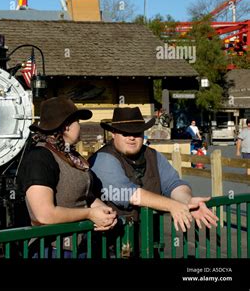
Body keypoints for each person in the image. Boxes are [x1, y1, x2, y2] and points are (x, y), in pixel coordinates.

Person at [89, 107, 218, 236]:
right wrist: (172, 205)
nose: (132, 138)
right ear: (113, 133)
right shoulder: (103, 159)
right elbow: (129, 194)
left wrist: (186, 201)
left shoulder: (153, 155)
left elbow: (173, 183)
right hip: (111, 243)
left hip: (148, 241)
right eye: (125, 133)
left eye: (137, 133)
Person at [17, 96, 117, 258]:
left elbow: (84, 195)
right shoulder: (40, 158)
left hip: (81, 248)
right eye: (77, 121)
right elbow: (44, 214)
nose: (80, 126)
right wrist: (89, 214)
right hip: (52, 250)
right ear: (66, 126)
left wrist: (104, 211)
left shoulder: (70, 155)